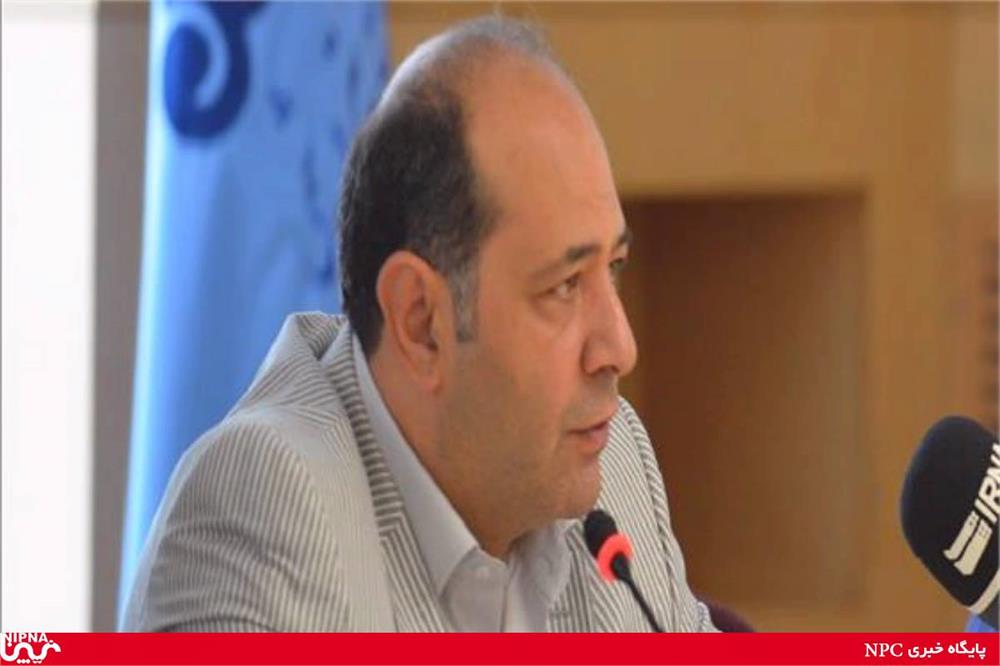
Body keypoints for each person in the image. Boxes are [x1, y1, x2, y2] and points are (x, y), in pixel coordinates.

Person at [122, 15, 715, 632]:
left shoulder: (609, 462)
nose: (620, 347)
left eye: (612, 267)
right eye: (564, 287)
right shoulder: (264, 509)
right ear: (421, 322)